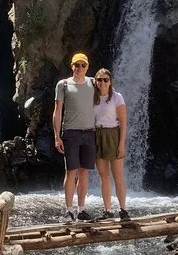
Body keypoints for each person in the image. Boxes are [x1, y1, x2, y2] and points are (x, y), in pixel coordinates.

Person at [53, 53, 96, 222]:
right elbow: (57, 112)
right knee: (71, 171)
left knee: (84, 172)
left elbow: (109, 95)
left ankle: (82, 209)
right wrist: (57, 136)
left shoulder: (94, 83)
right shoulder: (63, 84)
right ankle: (69, 209)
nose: (79, 68)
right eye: (76, 65)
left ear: (87, 67)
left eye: (83, 65)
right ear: (71, 66)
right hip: (71, 132)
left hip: (90, 132)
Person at [93, 69, 130, 221]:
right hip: (98, 135)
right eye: (99, 80)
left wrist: (121, 144)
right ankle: (108, 210)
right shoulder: (93, 97)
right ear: (95, 81)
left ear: (110, 81)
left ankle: (123, 210)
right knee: (104, 176)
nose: (102, 82)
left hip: (114, 134)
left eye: (105, 80)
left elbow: (123, 122)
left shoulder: (117, 97)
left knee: (118, 176)